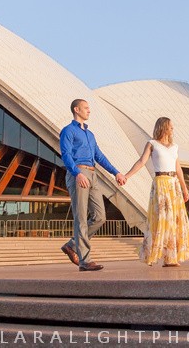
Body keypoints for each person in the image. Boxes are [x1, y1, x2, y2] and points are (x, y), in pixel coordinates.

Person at [122, 117, 189, 266]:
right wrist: (126, 176)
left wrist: (184, 188)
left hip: (173, 184)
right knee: (163, 219)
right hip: (161, 184)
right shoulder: (152, 144)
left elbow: (178, 169)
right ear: (163, 127)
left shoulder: (175, 147)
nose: (172, 129)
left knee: (174, 221)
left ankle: (171, 257)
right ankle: (159, 255)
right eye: (170, 127)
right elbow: (141, 162)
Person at [59, 99, 126, 271]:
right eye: (86, 108)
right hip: (79, 173)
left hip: (93, 174)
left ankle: (72, 244)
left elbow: (99, 156)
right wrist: (77, 173)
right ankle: (85, 261)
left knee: (100, 216)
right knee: (80, 217)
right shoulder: (68, 131)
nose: (89, 111)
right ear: (76, 109)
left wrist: (116, 172)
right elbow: (66, 155)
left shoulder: (90, 135)